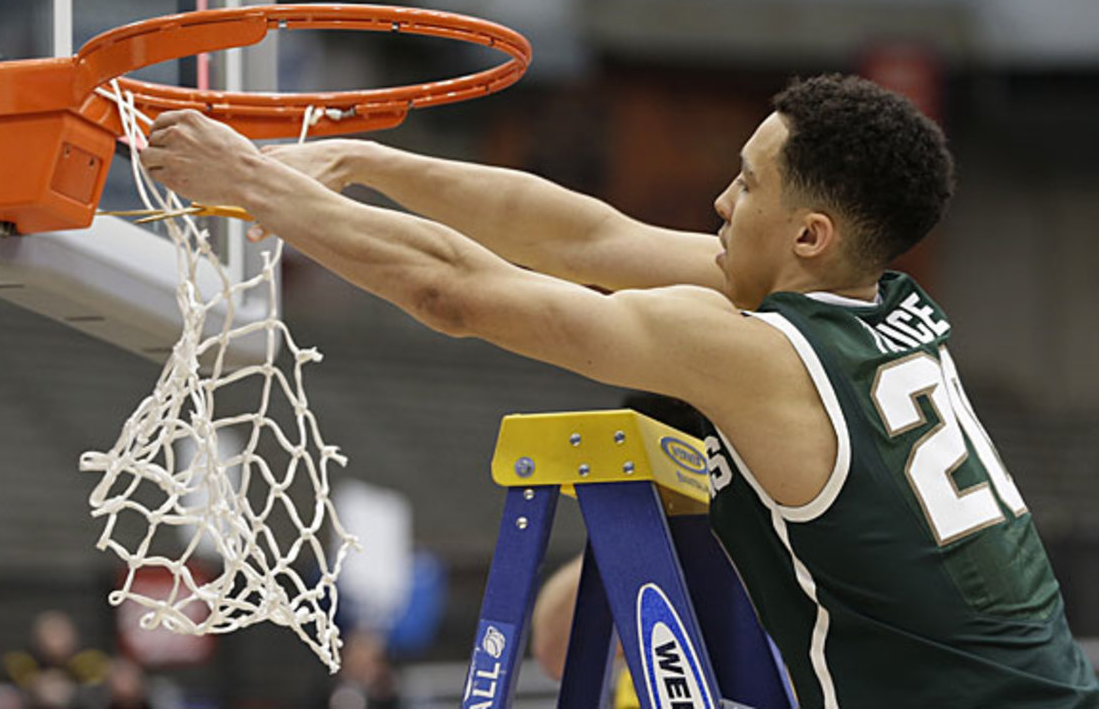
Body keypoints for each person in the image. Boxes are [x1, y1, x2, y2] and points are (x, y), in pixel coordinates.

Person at [139, 74, 1099, 707]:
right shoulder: (881, 301)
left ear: (808, 234)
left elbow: (461, 293)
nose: (723, 201)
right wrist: (358, 163)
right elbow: (585, 237)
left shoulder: (756, 352)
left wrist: (262, 190)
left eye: (747, 183)